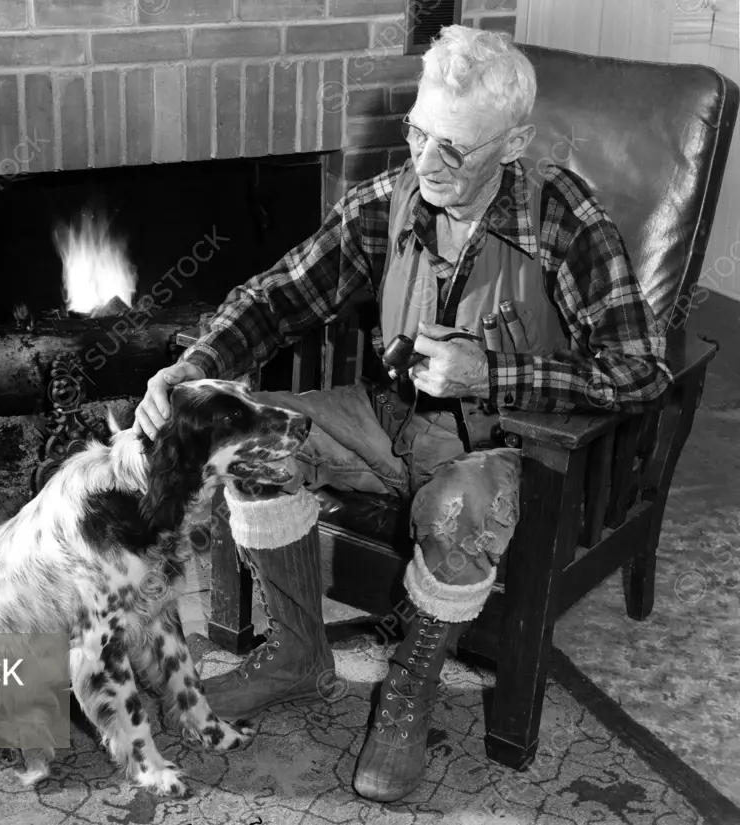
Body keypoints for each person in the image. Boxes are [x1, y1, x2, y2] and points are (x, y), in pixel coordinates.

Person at [133, 25, 671, 803]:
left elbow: (640, 370)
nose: (426, 161)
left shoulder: (565, 219)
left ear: (514, 143)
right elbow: (283, 292)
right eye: (418, 133)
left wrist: (494, 370)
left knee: (460, 506)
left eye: (455, 148)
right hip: (385, 416)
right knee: (246, 438)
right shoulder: (395, 196)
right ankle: (296, 652)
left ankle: (410, 690)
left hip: (503, 445)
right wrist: (199, 363)